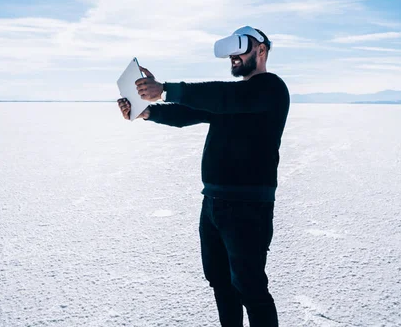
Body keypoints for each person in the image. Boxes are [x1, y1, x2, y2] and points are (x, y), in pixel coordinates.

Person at [117, 26, 289, 327]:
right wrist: (146, 111)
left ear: (261, 51)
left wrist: (167, 88)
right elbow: (186, 114)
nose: (234, 58)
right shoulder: (231, 97)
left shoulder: (270, 89)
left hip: (248, 207)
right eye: (231, 53)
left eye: (241, 50)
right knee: (221, 284)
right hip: (212, 204)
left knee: (250, 287)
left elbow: (222, 97)